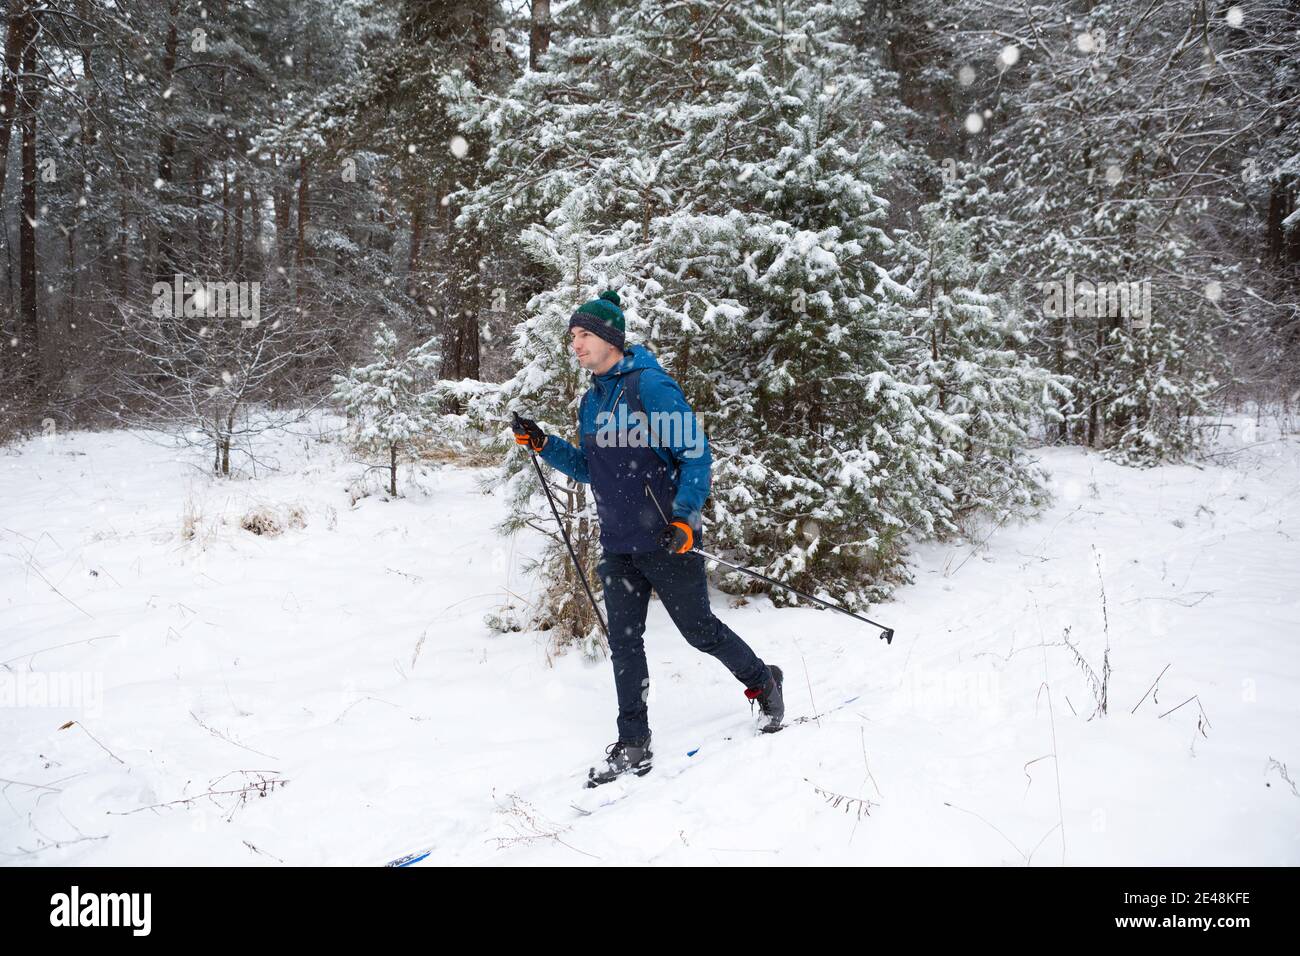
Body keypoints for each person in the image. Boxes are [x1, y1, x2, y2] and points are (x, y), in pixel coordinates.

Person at [512, 290, 783, 788]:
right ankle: (633, 741)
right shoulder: (592, 399)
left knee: (700, 631)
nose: (576, 345)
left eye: (585, 335)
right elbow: (591, 470)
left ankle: (763, 681)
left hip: (665, 539)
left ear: (611, 338)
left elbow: (696, 455)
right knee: (624, 642)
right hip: (618, 542)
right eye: (572, 336)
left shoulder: (651, 387)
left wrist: (683, 518)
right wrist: (545, 445)